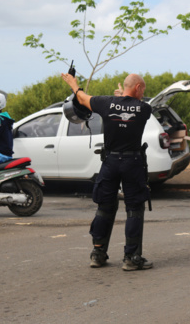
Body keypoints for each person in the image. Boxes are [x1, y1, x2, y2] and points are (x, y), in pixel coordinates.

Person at [62, 72, 153, 271]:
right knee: (134, 209)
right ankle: (131, 258)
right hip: (132, 162)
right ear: (138, 88)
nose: (143, 93)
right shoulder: (145, 108)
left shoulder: (106, 103)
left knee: (104, 207)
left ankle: (98, 254)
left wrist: (73, 83)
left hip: (110, 162)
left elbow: (81, 98)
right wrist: (122, 96)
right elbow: (129, 104)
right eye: (143, 89)